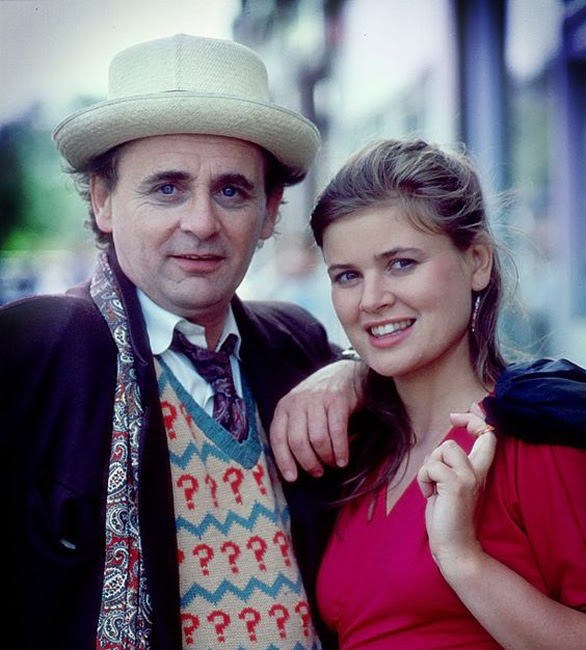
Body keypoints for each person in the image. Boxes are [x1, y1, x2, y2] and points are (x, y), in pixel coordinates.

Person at [0, 34, 362, 650]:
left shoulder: (295, 346)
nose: (201, 222)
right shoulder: (41, 347)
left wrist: (356, 372)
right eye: (167, 188)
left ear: (271, 211)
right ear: (104, 200)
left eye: (231, 190)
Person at [300, 138, 586, 648]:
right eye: (347, 276)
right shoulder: (357, 448)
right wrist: (347, 370)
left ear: (476, 261)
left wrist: (463, 559)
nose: (371, 300)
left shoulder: (536, 440)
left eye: (401, 263)